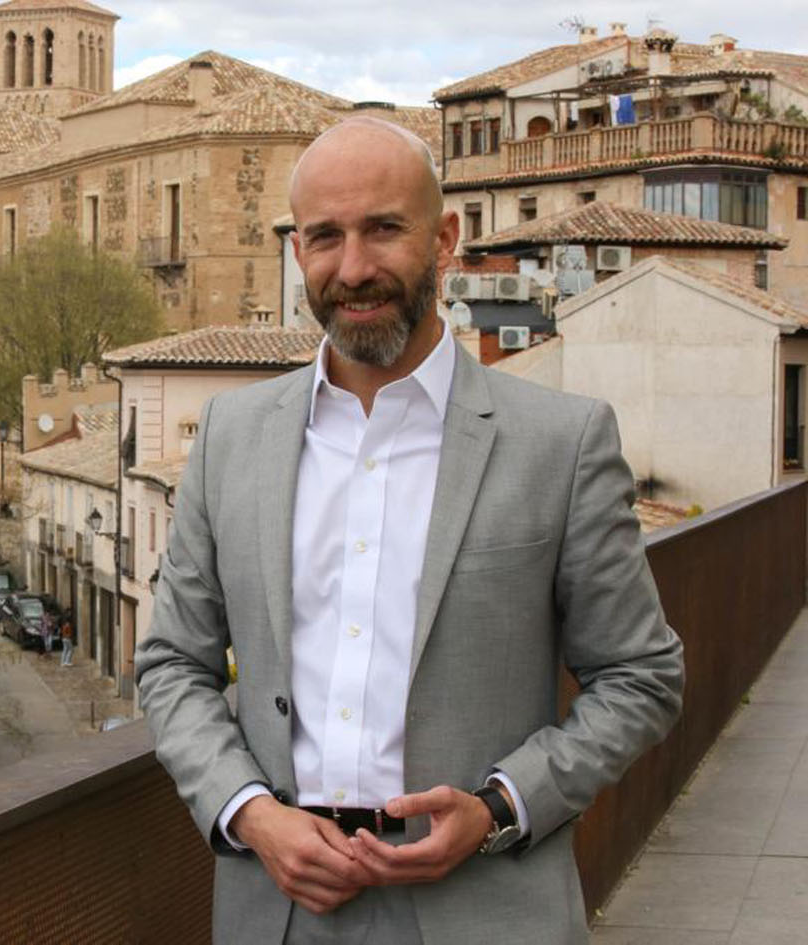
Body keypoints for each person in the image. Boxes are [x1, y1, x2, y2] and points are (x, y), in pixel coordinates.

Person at [135, 116, 684, 945]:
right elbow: (173, 663)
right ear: (298, 255)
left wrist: (499, 808)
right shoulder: (229, 437)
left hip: (485, 908)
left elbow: (640, 676)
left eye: (383, 229)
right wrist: (250, 814)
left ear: (445, 240)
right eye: (325, 236)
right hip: (279, 910)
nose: (353, 268)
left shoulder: (559, 443)